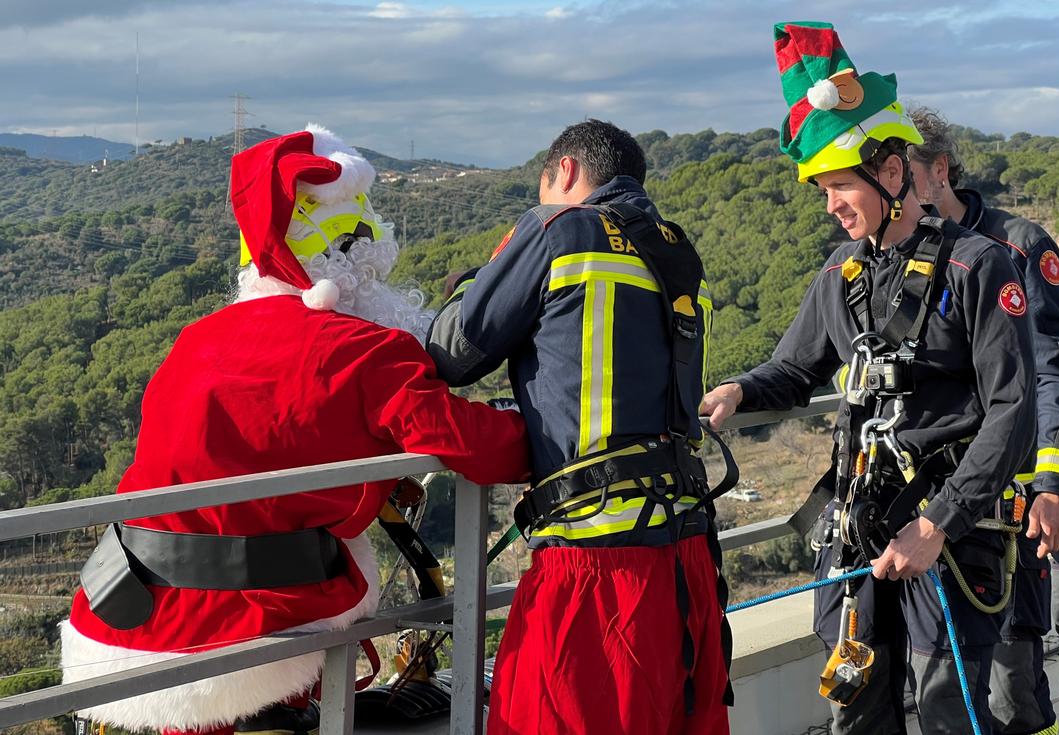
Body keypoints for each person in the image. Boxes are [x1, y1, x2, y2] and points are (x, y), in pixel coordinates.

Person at [60, 126, 531, 735]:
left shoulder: (196, 339)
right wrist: (542, 432)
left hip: (126, 602)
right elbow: (471, 443)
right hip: (258, 614)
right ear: (353, 265)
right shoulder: (367, 347)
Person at [700, 22, 1036, 734]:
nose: (830, 205)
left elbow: (1012, 409)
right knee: (854, 708)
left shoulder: (977, 267)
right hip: (857, 533)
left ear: (890, 174)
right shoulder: (839, 274)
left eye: (838, 186)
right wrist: (739, 389)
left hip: (945, 534)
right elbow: (795, 367)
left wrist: (936, 522)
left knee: (945, 704)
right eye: (821, 190)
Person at [426, 119, 732, 734]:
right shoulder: (675, 249)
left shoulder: (559, 230)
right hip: (687, 556)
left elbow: (454, 355)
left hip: (597, 571)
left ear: (564, 171)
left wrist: (479, 281)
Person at [909, 107, 1059, 735]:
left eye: (902, 175)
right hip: (1039, 474)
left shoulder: (1016, 244)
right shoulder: (920, 259)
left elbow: (1055, 372)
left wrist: (1052, 483)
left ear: (940, 172)